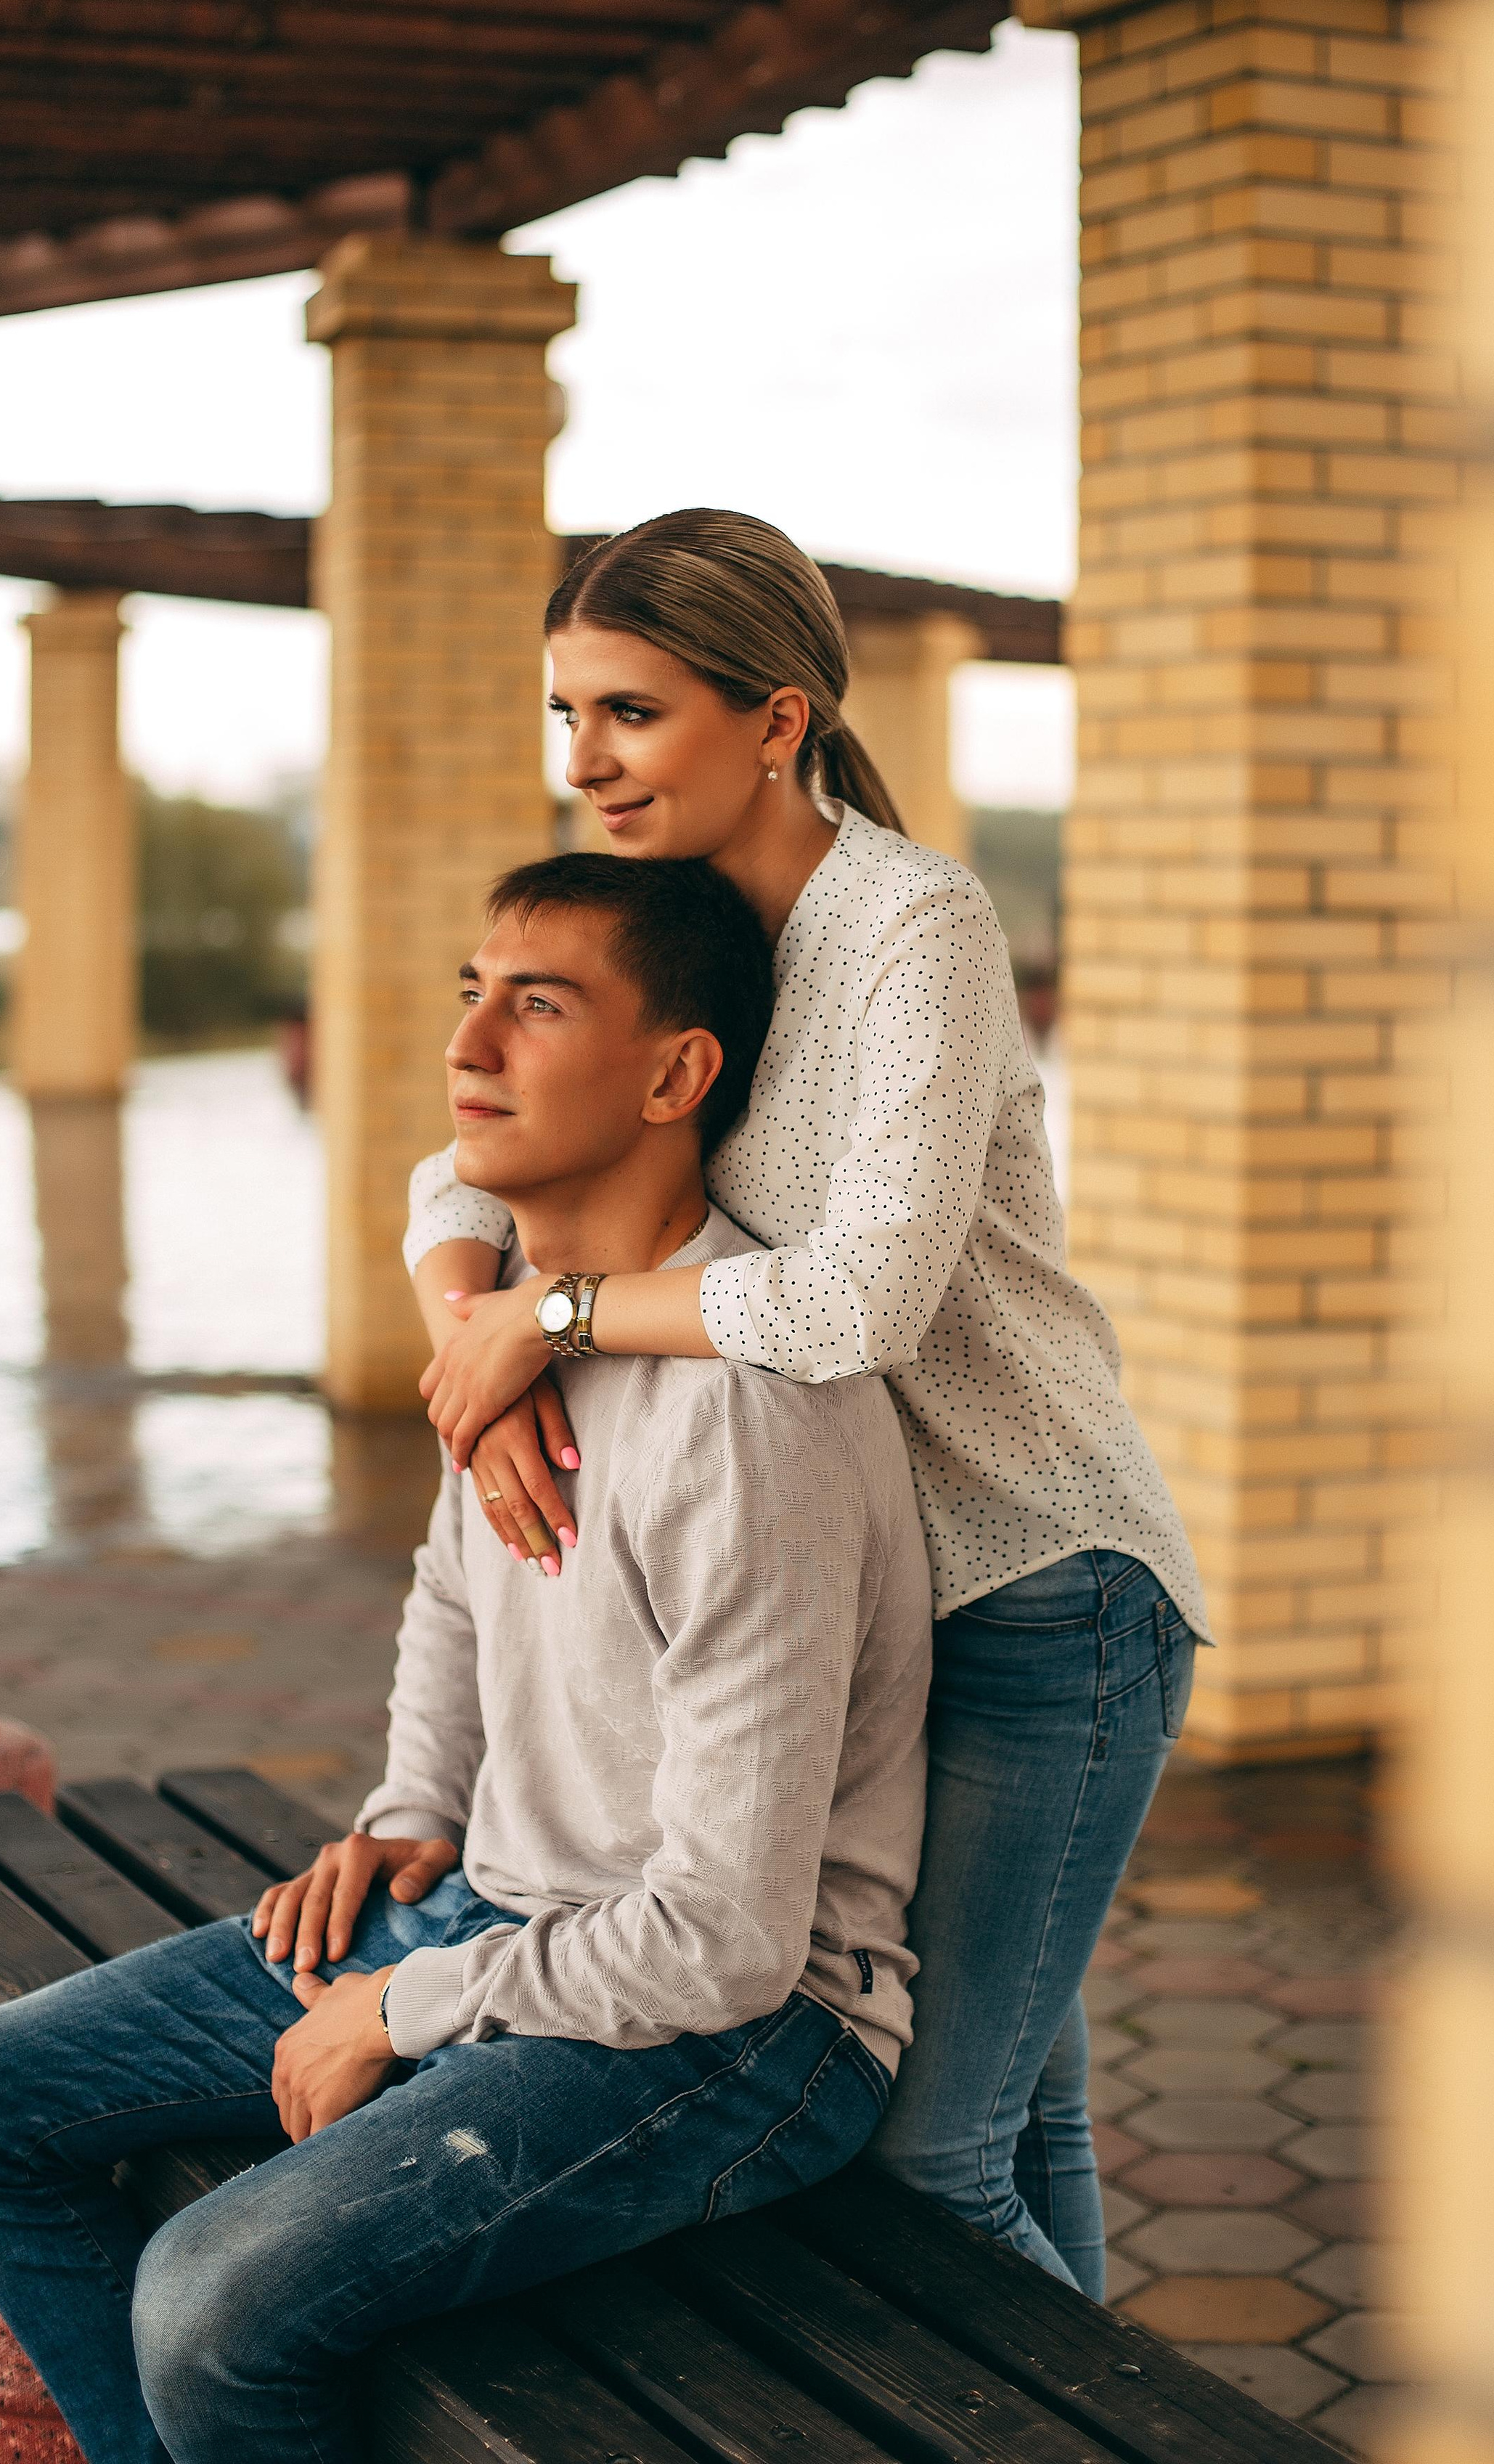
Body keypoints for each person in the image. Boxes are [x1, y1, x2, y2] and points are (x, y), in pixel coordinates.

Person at [0, 852, 933, 2464]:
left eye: (538, 1005)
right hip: (498, 1912)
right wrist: (403, 1811)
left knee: (207, 2299)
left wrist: (401, 2008)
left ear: (675, 1072)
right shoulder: (508, 1329)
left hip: (745, 2036)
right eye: (471, 993)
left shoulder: (749, 1416)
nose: (469, 1045)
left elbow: (724, 1944)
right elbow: (458, 1597)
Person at [411, 509, 1212, 2304]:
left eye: (630, 713)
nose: (585, 762)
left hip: (1036, 1583)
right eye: (567, 714)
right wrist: (473, 1335)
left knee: (936, 2159)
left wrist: (556, 1312)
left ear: (775, 721)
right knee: (1026, 2111)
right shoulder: (690, 923)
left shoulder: (906, 925)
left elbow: (857, 1302)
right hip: (868, 1601)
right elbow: (452, 1167)